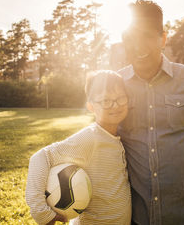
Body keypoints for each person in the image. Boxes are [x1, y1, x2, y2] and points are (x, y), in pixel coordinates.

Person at [118, 0, 184, 225]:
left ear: (163, 39)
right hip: (136, 214)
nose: (138, 45)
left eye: (146, 36)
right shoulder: (115, 84)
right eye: (131, 37)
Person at [25, 70, 132, 225]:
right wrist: (41, 212)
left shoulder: (120, 136)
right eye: (106, 101)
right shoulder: (90, 138)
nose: (115, 105)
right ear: (90, 106)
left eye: (120, 98)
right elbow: (40, 157)